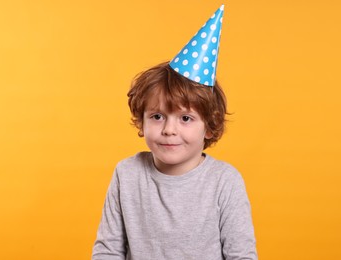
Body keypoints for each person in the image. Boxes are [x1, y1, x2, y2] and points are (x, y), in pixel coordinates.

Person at [92, 5, 257, 260]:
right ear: (141, 121)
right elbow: (108, 251)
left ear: (210, 126)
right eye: (157, 116)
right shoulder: (127, 175)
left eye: (186, 118)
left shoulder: (225, 182)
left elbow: (242, 255)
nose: (169, 130)